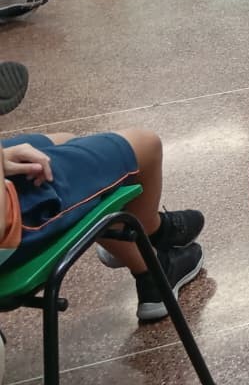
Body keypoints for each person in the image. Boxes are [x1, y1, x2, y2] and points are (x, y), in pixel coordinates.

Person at [2, 122, 206, 322]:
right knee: (147, 144)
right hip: (15, 223)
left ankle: (136, 242)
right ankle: (154, 260)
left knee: (65, 140)